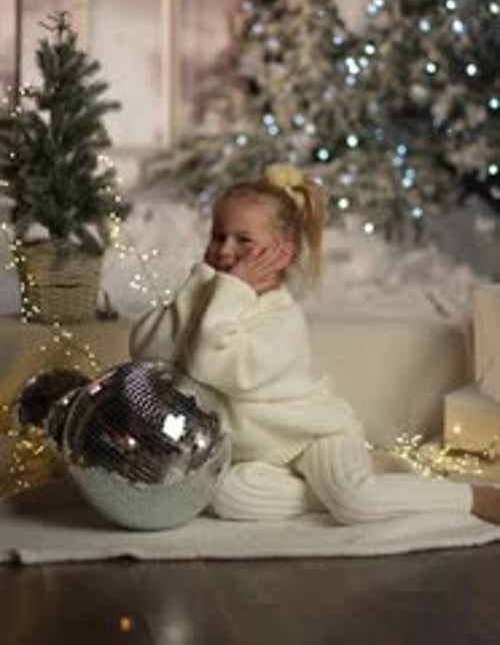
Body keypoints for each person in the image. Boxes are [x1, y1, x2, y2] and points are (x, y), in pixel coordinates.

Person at [130, 162, 500, 526]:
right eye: (217, 236)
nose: (225, 250)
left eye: (243, 240)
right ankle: (327, 493)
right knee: (227, 495)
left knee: (357, 504)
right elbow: (147, 350)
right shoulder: (212, 301)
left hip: (312, 434)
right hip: (256, 452)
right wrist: (193, 291)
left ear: (282, 255)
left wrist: (230, 290)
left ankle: (469, 497)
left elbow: (209, 364)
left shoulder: (281, 319)